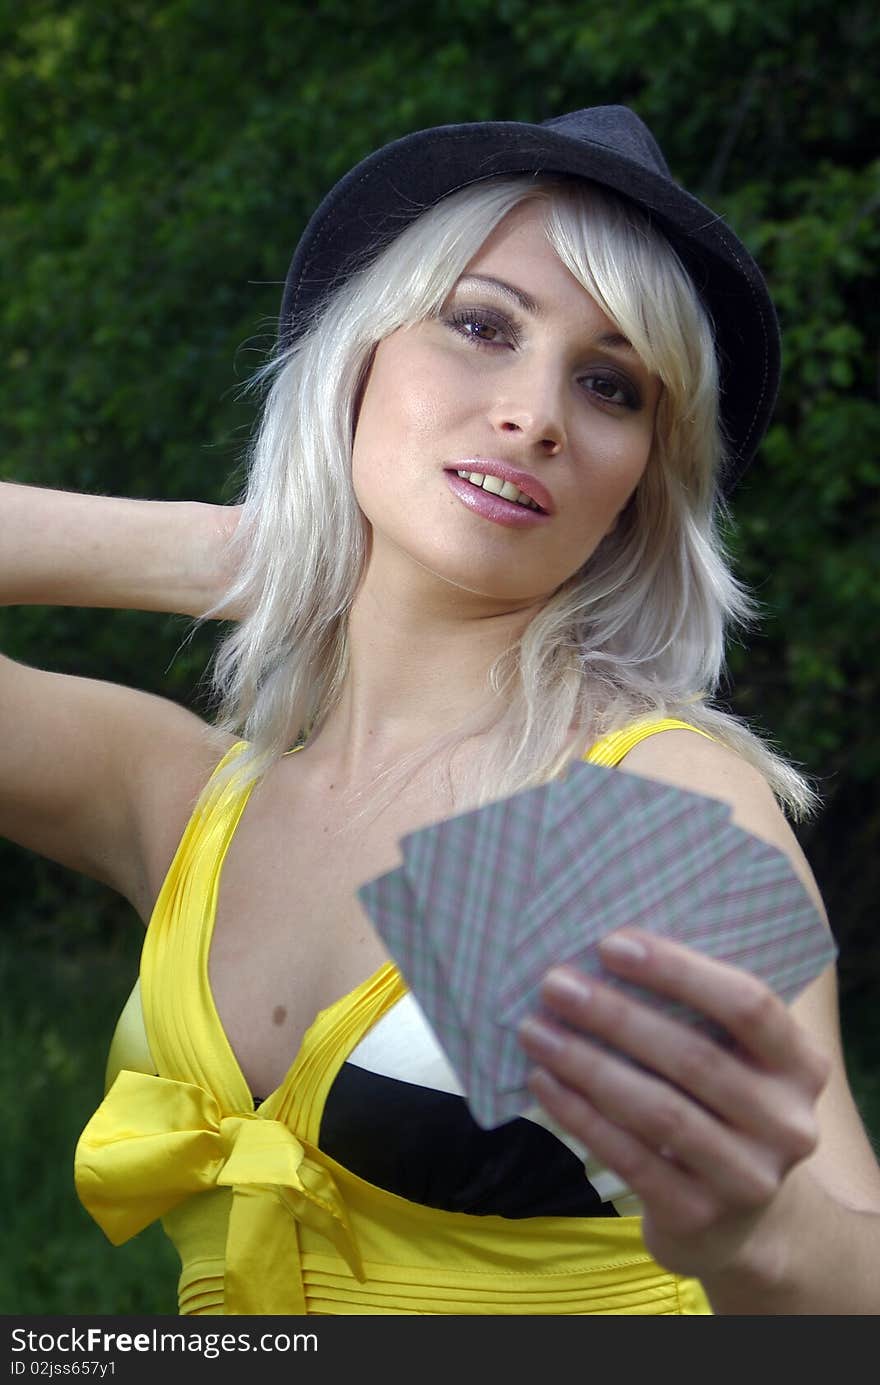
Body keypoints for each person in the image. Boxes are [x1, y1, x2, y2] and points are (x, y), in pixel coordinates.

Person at [3, 105, 879, 1317]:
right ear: (354, 357)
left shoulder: (630, 800)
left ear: (637, 486)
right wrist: (248, 552)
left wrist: (757, 1229)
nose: (535, 414)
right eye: (480, 325)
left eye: (609, 384)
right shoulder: (188, 795)